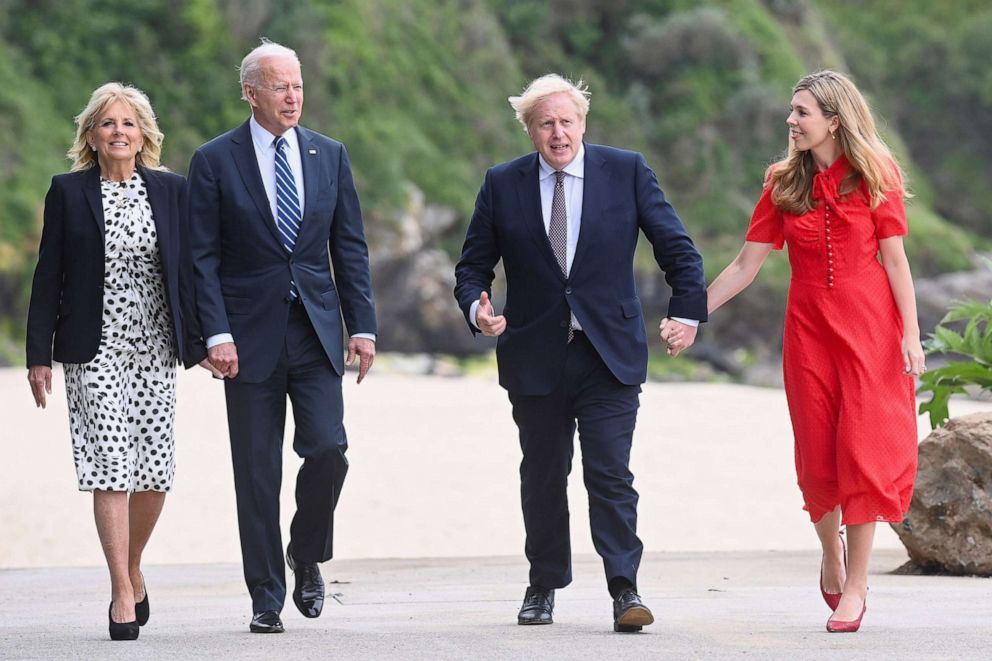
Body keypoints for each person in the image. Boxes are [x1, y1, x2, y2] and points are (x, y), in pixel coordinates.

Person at [454, 74, 707, 632]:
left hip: (608, 354)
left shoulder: (627, 170)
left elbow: (679, 251)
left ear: (584, 123)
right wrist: (478, 308)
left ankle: (624, 588)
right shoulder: (502, 183)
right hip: (534, 355)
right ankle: (543, 585)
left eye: (567, 121)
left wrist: (685, 314)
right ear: (530, 131)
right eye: (545, 123)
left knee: (610, 472)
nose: (558, 132)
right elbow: (472, 267)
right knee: (543, 475)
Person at [692, 70, 924, 633]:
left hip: (870, 335)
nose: (791, 122)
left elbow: (895, 262)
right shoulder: (782, 183)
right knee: (818, 457)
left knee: (864, 457)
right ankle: (830, 552)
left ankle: (859, 589)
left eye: (802, 113)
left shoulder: (876, 175)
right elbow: (747, 265)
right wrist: (692, 314)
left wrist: (911, 337)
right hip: (809, 339)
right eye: (792, 111)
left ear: (834, 120)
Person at [187, 40, 377, 634]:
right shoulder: (215, 160)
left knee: (328, 450)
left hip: (317, 331)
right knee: (256, 471)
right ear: (251, 93)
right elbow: (201, 258)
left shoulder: (329, 154)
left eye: (297, 84)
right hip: (244, 341)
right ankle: (265, 596)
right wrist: (214, 333)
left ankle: (306, 551)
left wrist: (362, 325)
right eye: (278, 86)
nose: (292, 95)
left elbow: (348, 246)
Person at [25, 82, 206, 640]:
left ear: (144, 134)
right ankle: (120, 590)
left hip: (156, 347)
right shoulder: (68, 192)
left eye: (128, 123)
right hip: (92, 349)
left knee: (154, 470)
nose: (119, 132)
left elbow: (196, 271)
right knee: (109, 464)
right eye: (107, 123)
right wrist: (39, 355)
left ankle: (133, 564)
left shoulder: (173, 192)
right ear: (92, 136)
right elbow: (47, 276)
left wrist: (211, 340)